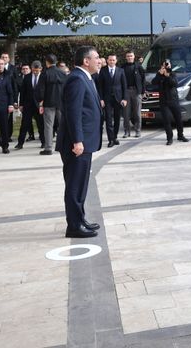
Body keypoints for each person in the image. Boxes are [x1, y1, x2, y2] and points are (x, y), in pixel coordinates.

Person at [56, 46, 103, 238]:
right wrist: (77, 141)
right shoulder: (77, 78)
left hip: (85, 142)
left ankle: (80, 219)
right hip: (77, 144)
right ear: (86, 61)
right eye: (97, 58)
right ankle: (74, 226)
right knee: (75, 185)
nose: (99, 60)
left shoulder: (85, 77)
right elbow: (73, 113)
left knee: (81, 184)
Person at [37, 54, 67, 156]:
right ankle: (65, 144)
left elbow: (41, 90)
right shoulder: (62, 73)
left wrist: (41, 103)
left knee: (48, 126)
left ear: (47, 62)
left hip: (48, 102)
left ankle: (48, 148)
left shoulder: (45, 73)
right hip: (61, 102)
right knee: (63, 124)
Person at [155, 60, 188, 145]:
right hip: (163, 101)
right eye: (165, 64)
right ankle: (169, 138)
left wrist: (167, 76)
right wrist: (160, 74)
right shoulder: (159, 74)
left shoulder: (172, 73)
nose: (167, 66)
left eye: (168, 64)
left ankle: (180, 135)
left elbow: (175, 84)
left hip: (173, 100)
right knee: (166, 120)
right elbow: (153, 82)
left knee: (178, 119)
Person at [97, 54, 128, 147]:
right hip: (107, 99)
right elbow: (100, 87)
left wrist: (124, 98)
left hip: (118, 99)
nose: (111, 62)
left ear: (116, 61)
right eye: (110, 60)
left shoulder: (121, 71)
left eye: (113, 60)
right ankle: (110, 139)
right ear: (107, 60)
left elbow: (124, 86)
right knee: (109, 120)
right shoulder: (103, 70)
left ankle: (115, 137)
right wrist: (101, 99)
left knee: (117, 119)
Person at [16, 61, 45, 150]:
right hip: (28, 105)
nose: (35, 72)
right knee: (24, 124)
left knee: (41, 125)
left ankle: (43, 142)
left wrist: (43, 103)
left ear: (41, 69)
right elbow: (23, 91)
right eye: (34, 70)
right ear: (31, 69)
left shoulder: (44, 77)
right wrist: (21, 104)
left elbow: (46, 91)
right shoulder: (27, 77)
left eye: (37, 70)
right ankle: (20, 143)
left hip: (40, 105)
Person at [120, 50, 146, 138]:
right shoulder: (122, 67)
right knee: (126, 113)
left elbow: (143, 80)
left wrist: (143, 92)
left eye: (131, 56)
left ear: (134, 57)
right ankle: (126, 131)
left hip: (137, 92)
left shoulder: (139, 67)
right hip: (126, 92)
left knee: (137, 113)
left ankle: (138, 131)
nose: (129, 57)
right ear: (126, 57)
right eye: (128, 56)